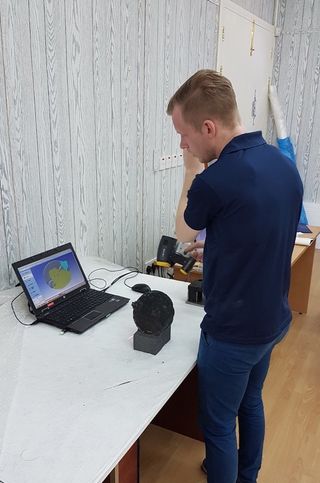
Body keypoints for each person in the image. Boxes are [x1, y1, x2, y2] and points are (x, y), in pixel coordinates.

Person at [166, 69, 303, 483]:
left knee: (219, 424)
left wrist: (191, 170)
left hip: (233, 333)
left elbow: (183, 233)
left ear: (209, 127)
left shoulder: (216, 178)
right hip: (271, 320)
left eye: (184, 134)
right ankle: (249, 475)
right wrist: (225, 246)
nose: (183, 144)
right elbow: (267, 228)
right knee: (251, 402)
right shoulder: (282, 164)